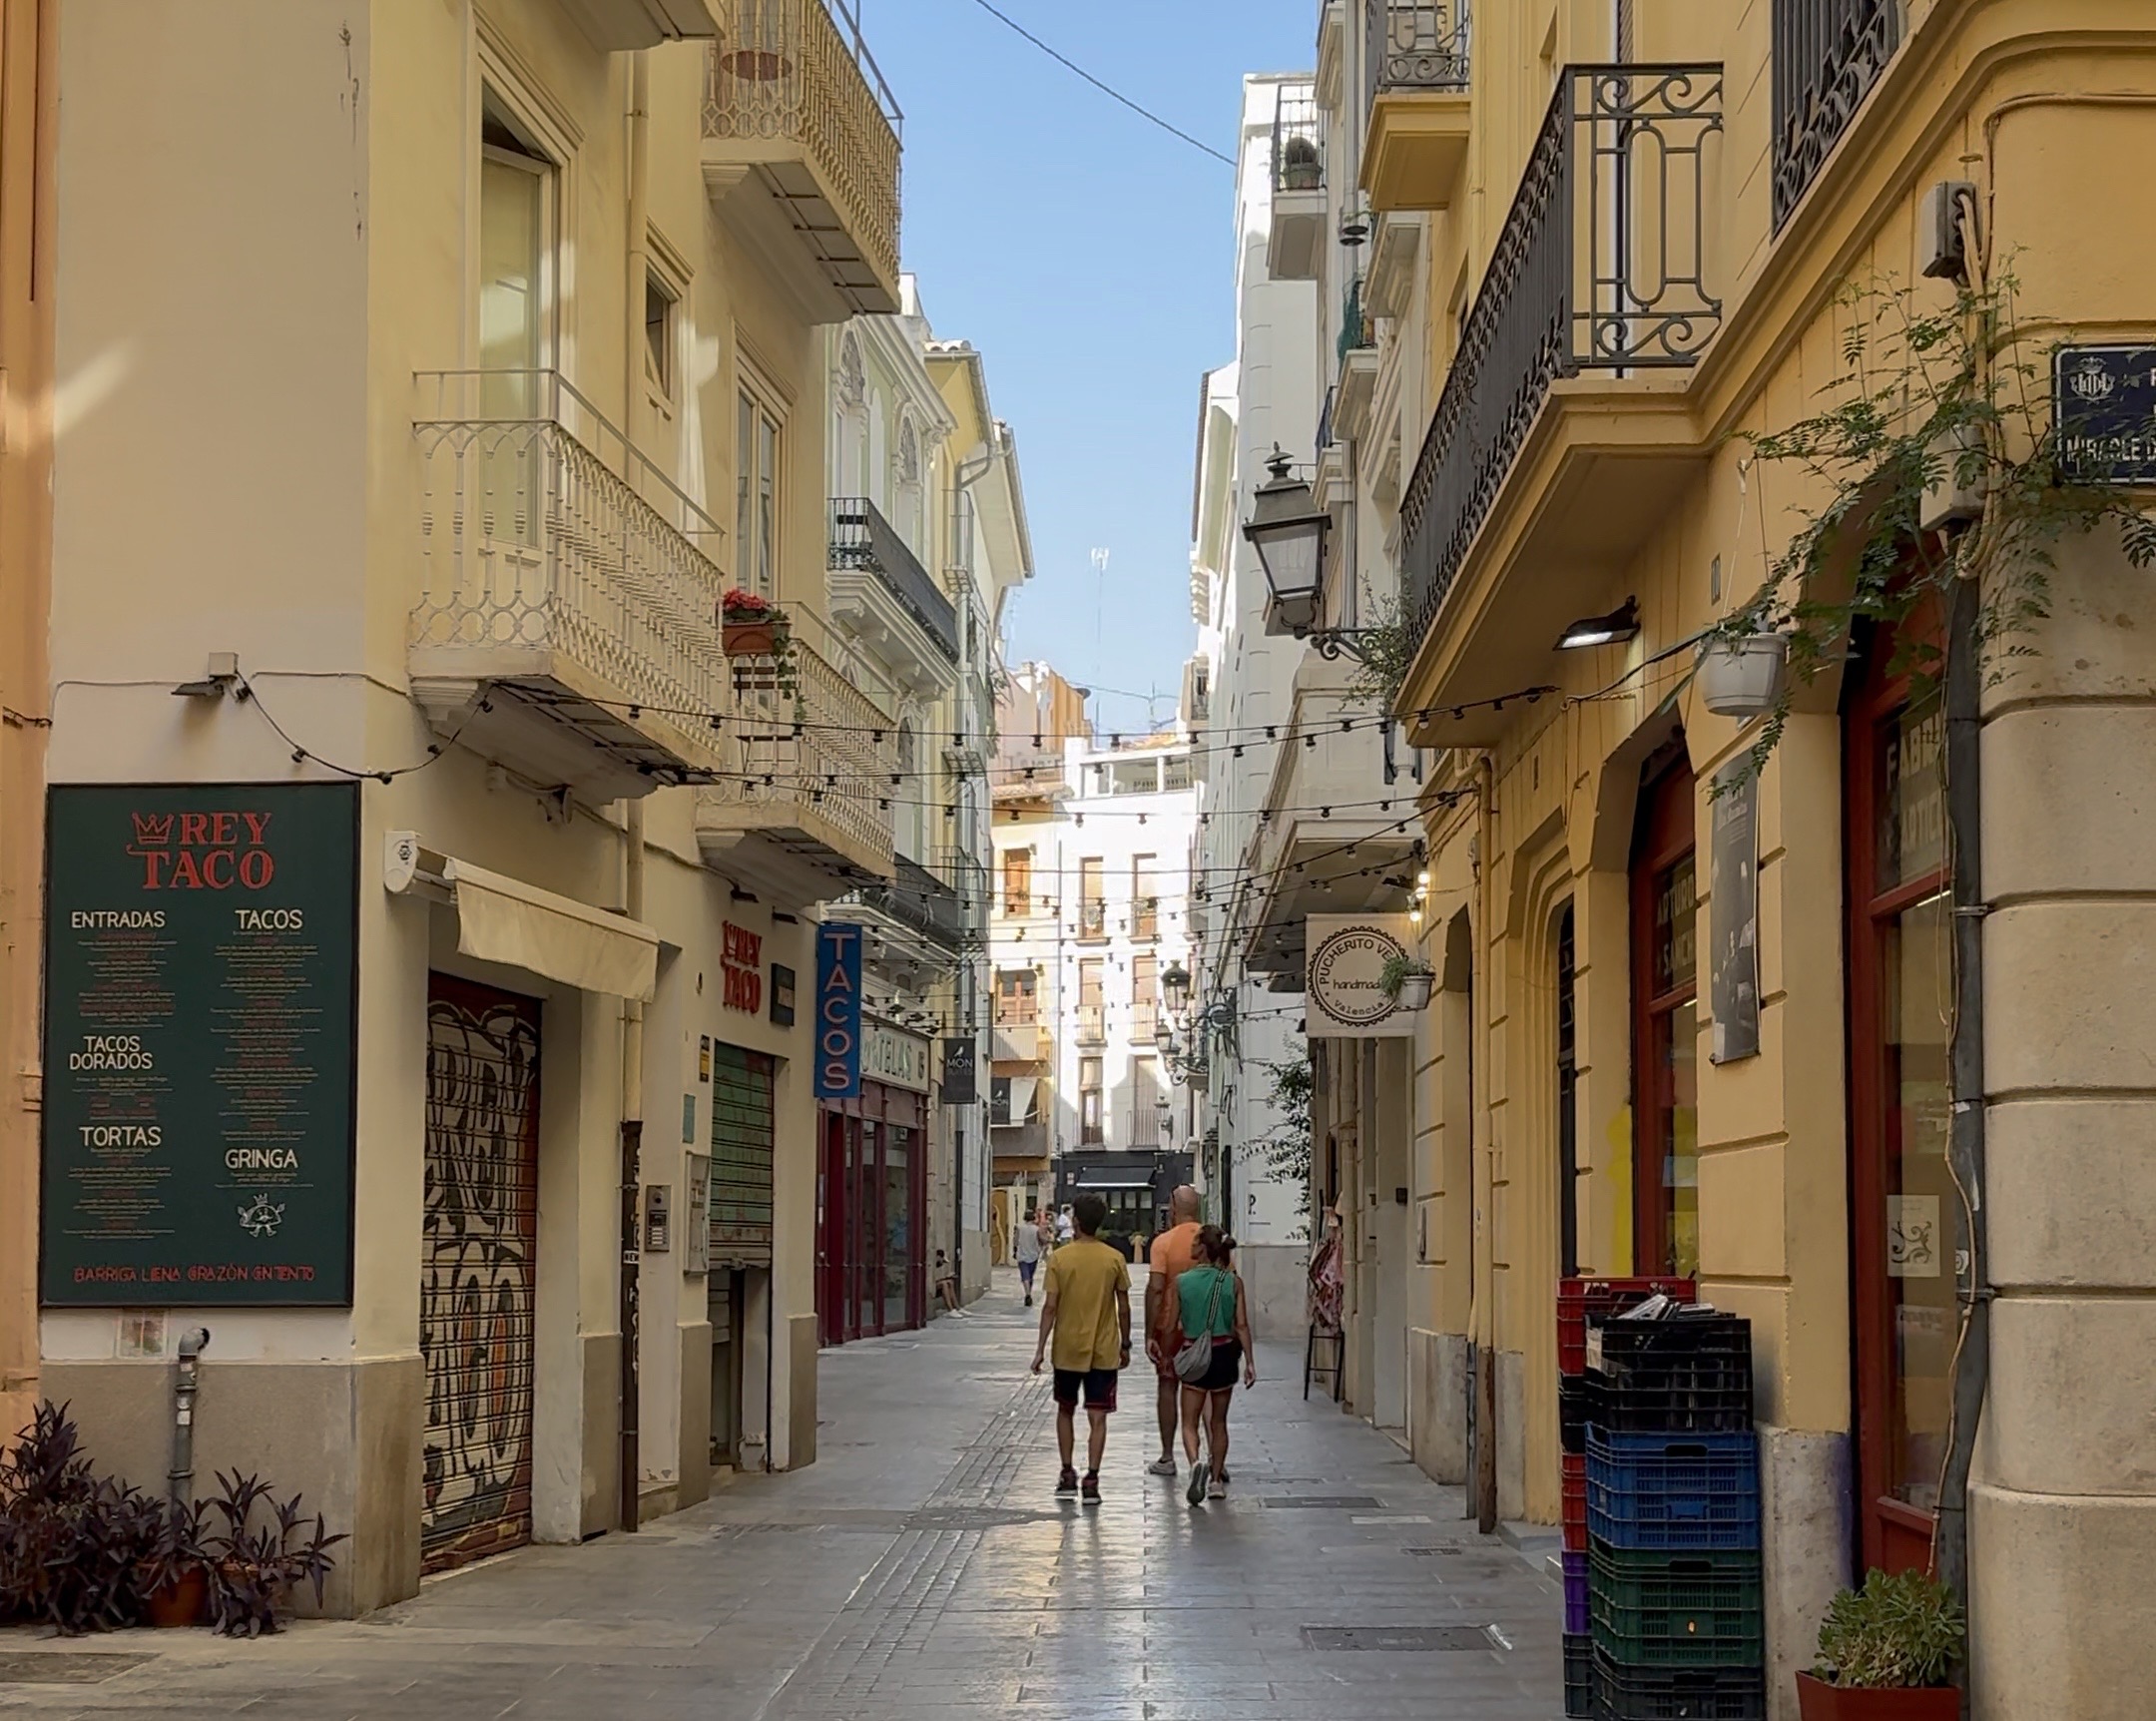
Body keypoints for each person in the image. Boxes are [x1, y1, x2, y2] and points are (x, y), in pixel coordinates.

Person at [1029, 1192, 1131, 1504]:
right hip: (1103, 1349)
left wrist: (1040, 1349)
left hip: (1067, 1348)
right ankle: (1093, 1479)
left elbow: (1050, 1307)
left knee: (1065, 1409)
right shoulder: (1114, 1258)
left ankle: (1066, 1472)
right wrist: (1125, 1343)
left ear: (1075, 1222)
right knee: (1098, 1416)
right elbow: (1124, 1307)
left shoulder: (1060, 1258)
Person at [1173, 1225, 1256, 1505]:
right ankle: (1217, 1480)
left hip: (1194, 1353)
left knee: (1189, 1422)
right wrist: (1250, 1363)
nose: (1191, 1246)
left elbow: (1172, 1325)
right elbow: (1241, 1325)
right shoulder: (1233, 1282)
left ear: (1203, 1248)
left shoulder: (1182, 1281)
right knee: (1218, 1422)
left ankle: (1196, 1462)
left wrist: (1166, 1350)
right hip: (1223, 1355)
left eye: (1195, 1242)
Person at [1143, 1184, 1204, 1476]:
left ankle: (1168, 1456)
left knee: (1167, 1386)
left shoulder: (1163, 1243)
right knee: (1208, 1390)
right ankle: (1212, 1459)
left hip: (1171, 1328)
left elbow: (1156, 1288)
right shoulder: (1214, 1240)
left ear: (1173, 1207)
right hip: (1207, 1327)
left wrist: (1150, 1332)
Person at [1014, 1206, 1044, 1308]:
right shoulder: (1036, 1229)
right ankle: (1029, 1292)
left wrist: (1014, 1250)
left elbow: (1016, 1240)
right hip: (1034, 1254)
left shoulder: (1019, 1227)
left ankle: (1027, 1294)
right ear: (1033, 1218)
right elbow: (1041, 1240)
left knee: (1024, 1275)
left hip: (1022, 1254)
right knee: (1030, 1275)